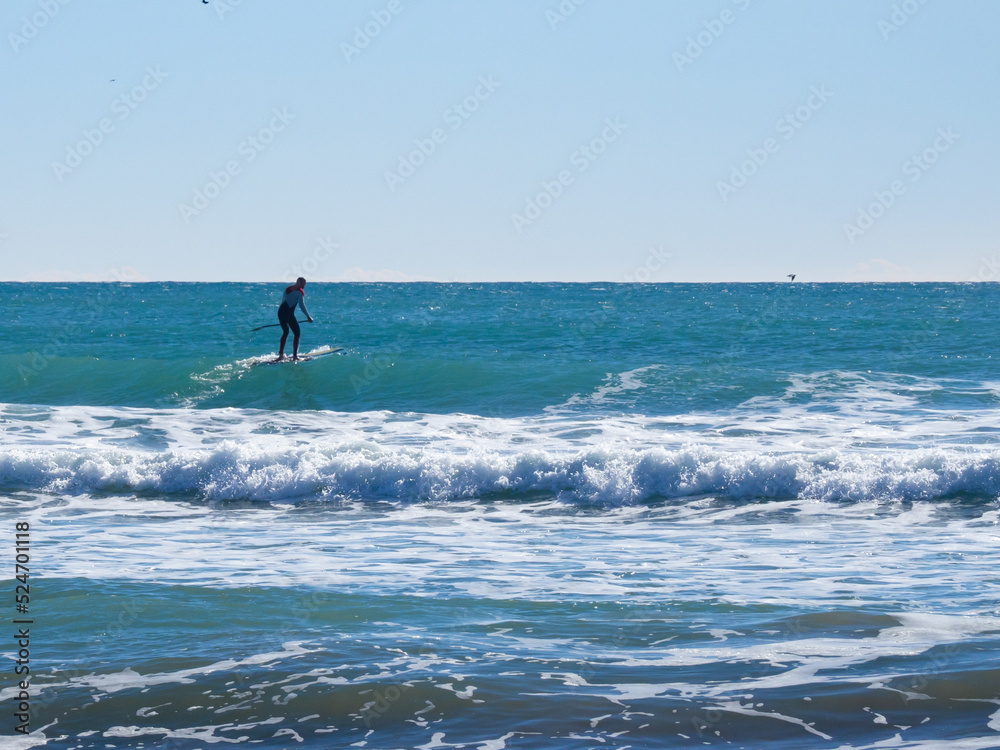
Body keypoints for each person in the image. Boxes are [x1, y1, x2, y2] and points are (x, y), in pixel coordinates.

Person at [276, 277, 313, 361]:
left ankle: (281, 355)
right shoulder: (300, 292)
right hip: (288, 313)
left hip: (280, 312)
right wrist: (308, 316)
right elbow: (301, 305)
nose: (304, 286)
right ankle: (295, 357)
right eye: (303, 284)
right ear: (299, 283)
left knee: (285, 332)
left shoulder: (288, 289)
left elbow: (283, 302)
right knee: (297, 333)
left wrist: (285, 319)